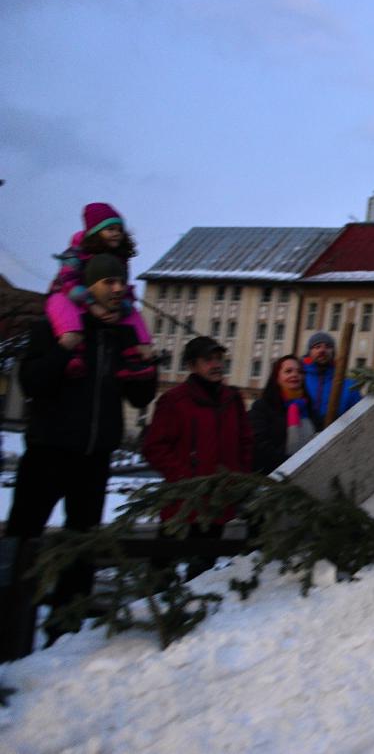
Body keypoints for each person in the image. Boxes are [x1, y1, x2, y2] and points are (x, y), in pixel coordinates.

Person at [6, 254, 158, 642]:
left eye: (121, 282)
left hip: (94, 457)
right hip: (48, 451)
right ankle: (8, 621)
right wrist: (62, 350)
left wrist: (147, 365)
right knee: (24, 537)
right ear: (88, 286)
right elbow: (32, 381)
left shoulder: (122, 334)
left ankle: (67, 628)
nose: (118, 288)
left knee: (83, 542)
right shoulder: (56, 326)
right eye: (108, 282)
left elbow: (140, 398)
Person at [142, 336, 253, 579]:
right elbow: (154, 447)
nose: (216, 365)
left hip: (218, 504)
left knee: (203, 574)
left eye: (218, 359)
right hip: (181, 505)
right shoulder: (174, 401)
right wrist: (184, 478)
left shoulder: (232, 400)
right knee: (161, 570)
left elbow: (245, 442)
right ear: (192, 365)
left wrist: (239, 476)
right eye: (208, 360)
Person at [46, 202, 154, 375]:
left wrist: (122, 308)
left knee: (133, 314)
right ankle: (74, 352)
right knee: (66, 313)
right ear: (95, 232)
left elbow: (123, 288)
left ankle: (136, 355)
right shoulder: (76, 252)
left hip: (104, 299)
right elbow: (68, 282)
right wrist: (91, 304)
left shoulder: (120, 257)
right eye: (110, 229)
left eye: (119, 229)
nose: (116, 234)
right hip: (70, 295)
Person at [249, 355, 322, 474]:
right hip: (272, 476)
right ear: (277, 378)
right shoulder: (262, 407)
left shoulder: (309, 408)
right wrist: (290, 464)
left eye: (299, 372)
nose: (295, 375)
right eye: (288, 371)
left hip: (308, 473)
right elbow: (259, 445)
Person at [302, 331, 362, 425]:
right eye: (317, 347)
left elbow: (359, 417)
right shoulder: (298, 379)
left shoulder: (349, 385)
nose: (322, 350)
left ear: (333, 352)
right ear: (309, 352)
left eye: (328, 347)